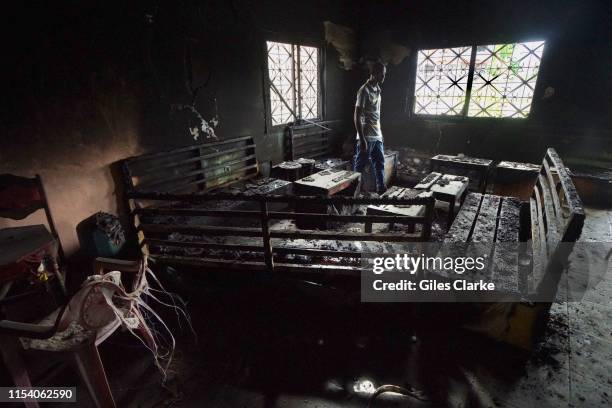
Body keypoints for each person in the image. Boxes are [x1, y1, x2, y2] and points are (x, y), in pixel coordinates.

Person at [353, 61, 387, 195]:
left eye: (384, 75)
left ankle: (381, 191)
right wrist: (361, 139)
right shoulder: (364, 90)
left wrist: (381, 134)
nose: (383, 78)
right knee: (359, 166)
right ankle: (354, 193)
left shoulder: (378, 89)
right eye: (382, 75)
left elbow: (376, 115)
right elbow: (357, 115)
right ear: (373, 74)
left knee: (380, 163)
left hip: (377, 135)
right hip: (366, 136)